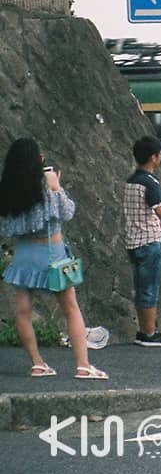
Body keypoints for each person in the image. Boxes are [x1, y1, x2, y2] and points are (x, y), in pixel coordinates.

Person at [0, 139, 107, 379]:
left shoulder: (8, 189)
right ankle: (83, 365)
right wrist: (55, 187)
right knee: (70, 309)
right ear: (36, 160)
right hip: (52, 253)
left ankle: (37, 363)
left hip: (24, 255)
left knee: (22, 312)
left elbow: (10, 226)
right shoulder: (45, 186)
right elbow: (67, 212)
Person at [123, 135, 161, 347]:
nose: (160, 158)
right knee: (150, 288)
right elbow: (159, 210)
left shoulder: (131, 181)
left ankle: (143, 330)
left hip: (133, 241)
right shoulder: (150, 182)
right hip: (149, 242)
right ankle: (149, 332)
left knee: (140, 287)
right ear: (153, 157)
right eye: (159, 155)